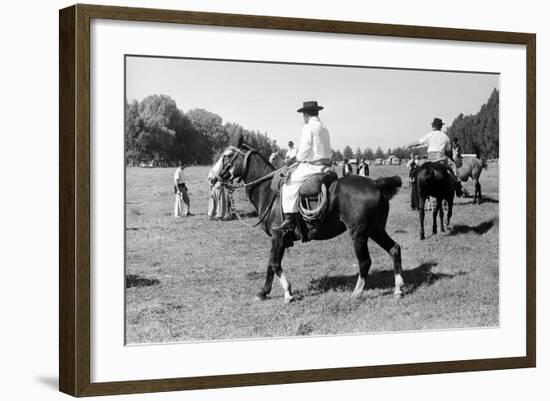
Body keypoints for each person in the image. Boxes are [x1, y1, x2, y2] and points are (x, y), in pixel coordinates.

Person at [274, 101, 332, 233]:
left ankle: (289, 219)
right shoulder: (324, 127)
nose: (303, 118)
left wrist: (295, 159)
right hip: (326, 166)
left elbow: (304, 150)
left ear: (306, 114)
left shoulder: (308, 127)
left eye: (303, 115)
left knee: (288, 183)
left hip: (313, 167)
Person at [406, 117, 460, 186]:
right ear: (441, 126)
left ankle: (414, 179)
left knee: (418, 166)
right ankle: (457, 181)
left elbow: (419, 142)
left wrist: (409, 145)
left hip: (429, 158)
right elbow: (448, 150)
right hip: (441, 159)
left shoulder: (429, 135)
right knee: (453, 166)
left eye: (432, 125)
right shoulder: (445, 137)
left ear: (434, 126)